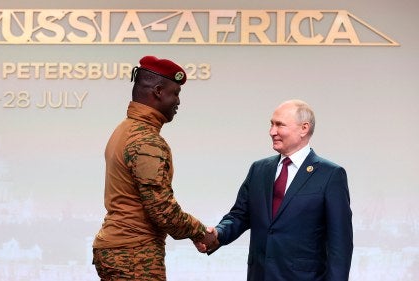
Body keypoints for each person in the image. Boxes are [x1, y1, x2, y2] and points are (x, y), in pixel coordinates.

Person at [197, 99, 353, 281]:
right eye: (271, 124)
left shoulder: (330, 174)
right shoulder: (259, 169)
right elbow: (239, 215)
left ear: (304, 128)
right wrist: (218, 233)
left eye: (280, 125)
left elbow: (340, 243)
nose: (272, 132)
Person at [92, 55, 216, 280]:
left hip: (119, 249)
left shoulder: (124, 129)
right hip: (134, 254)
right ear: (158, 91)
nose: (178, 102)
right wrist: (200, 232)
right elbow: (163, 211)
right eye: (175, 94)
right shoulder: (147, 141)